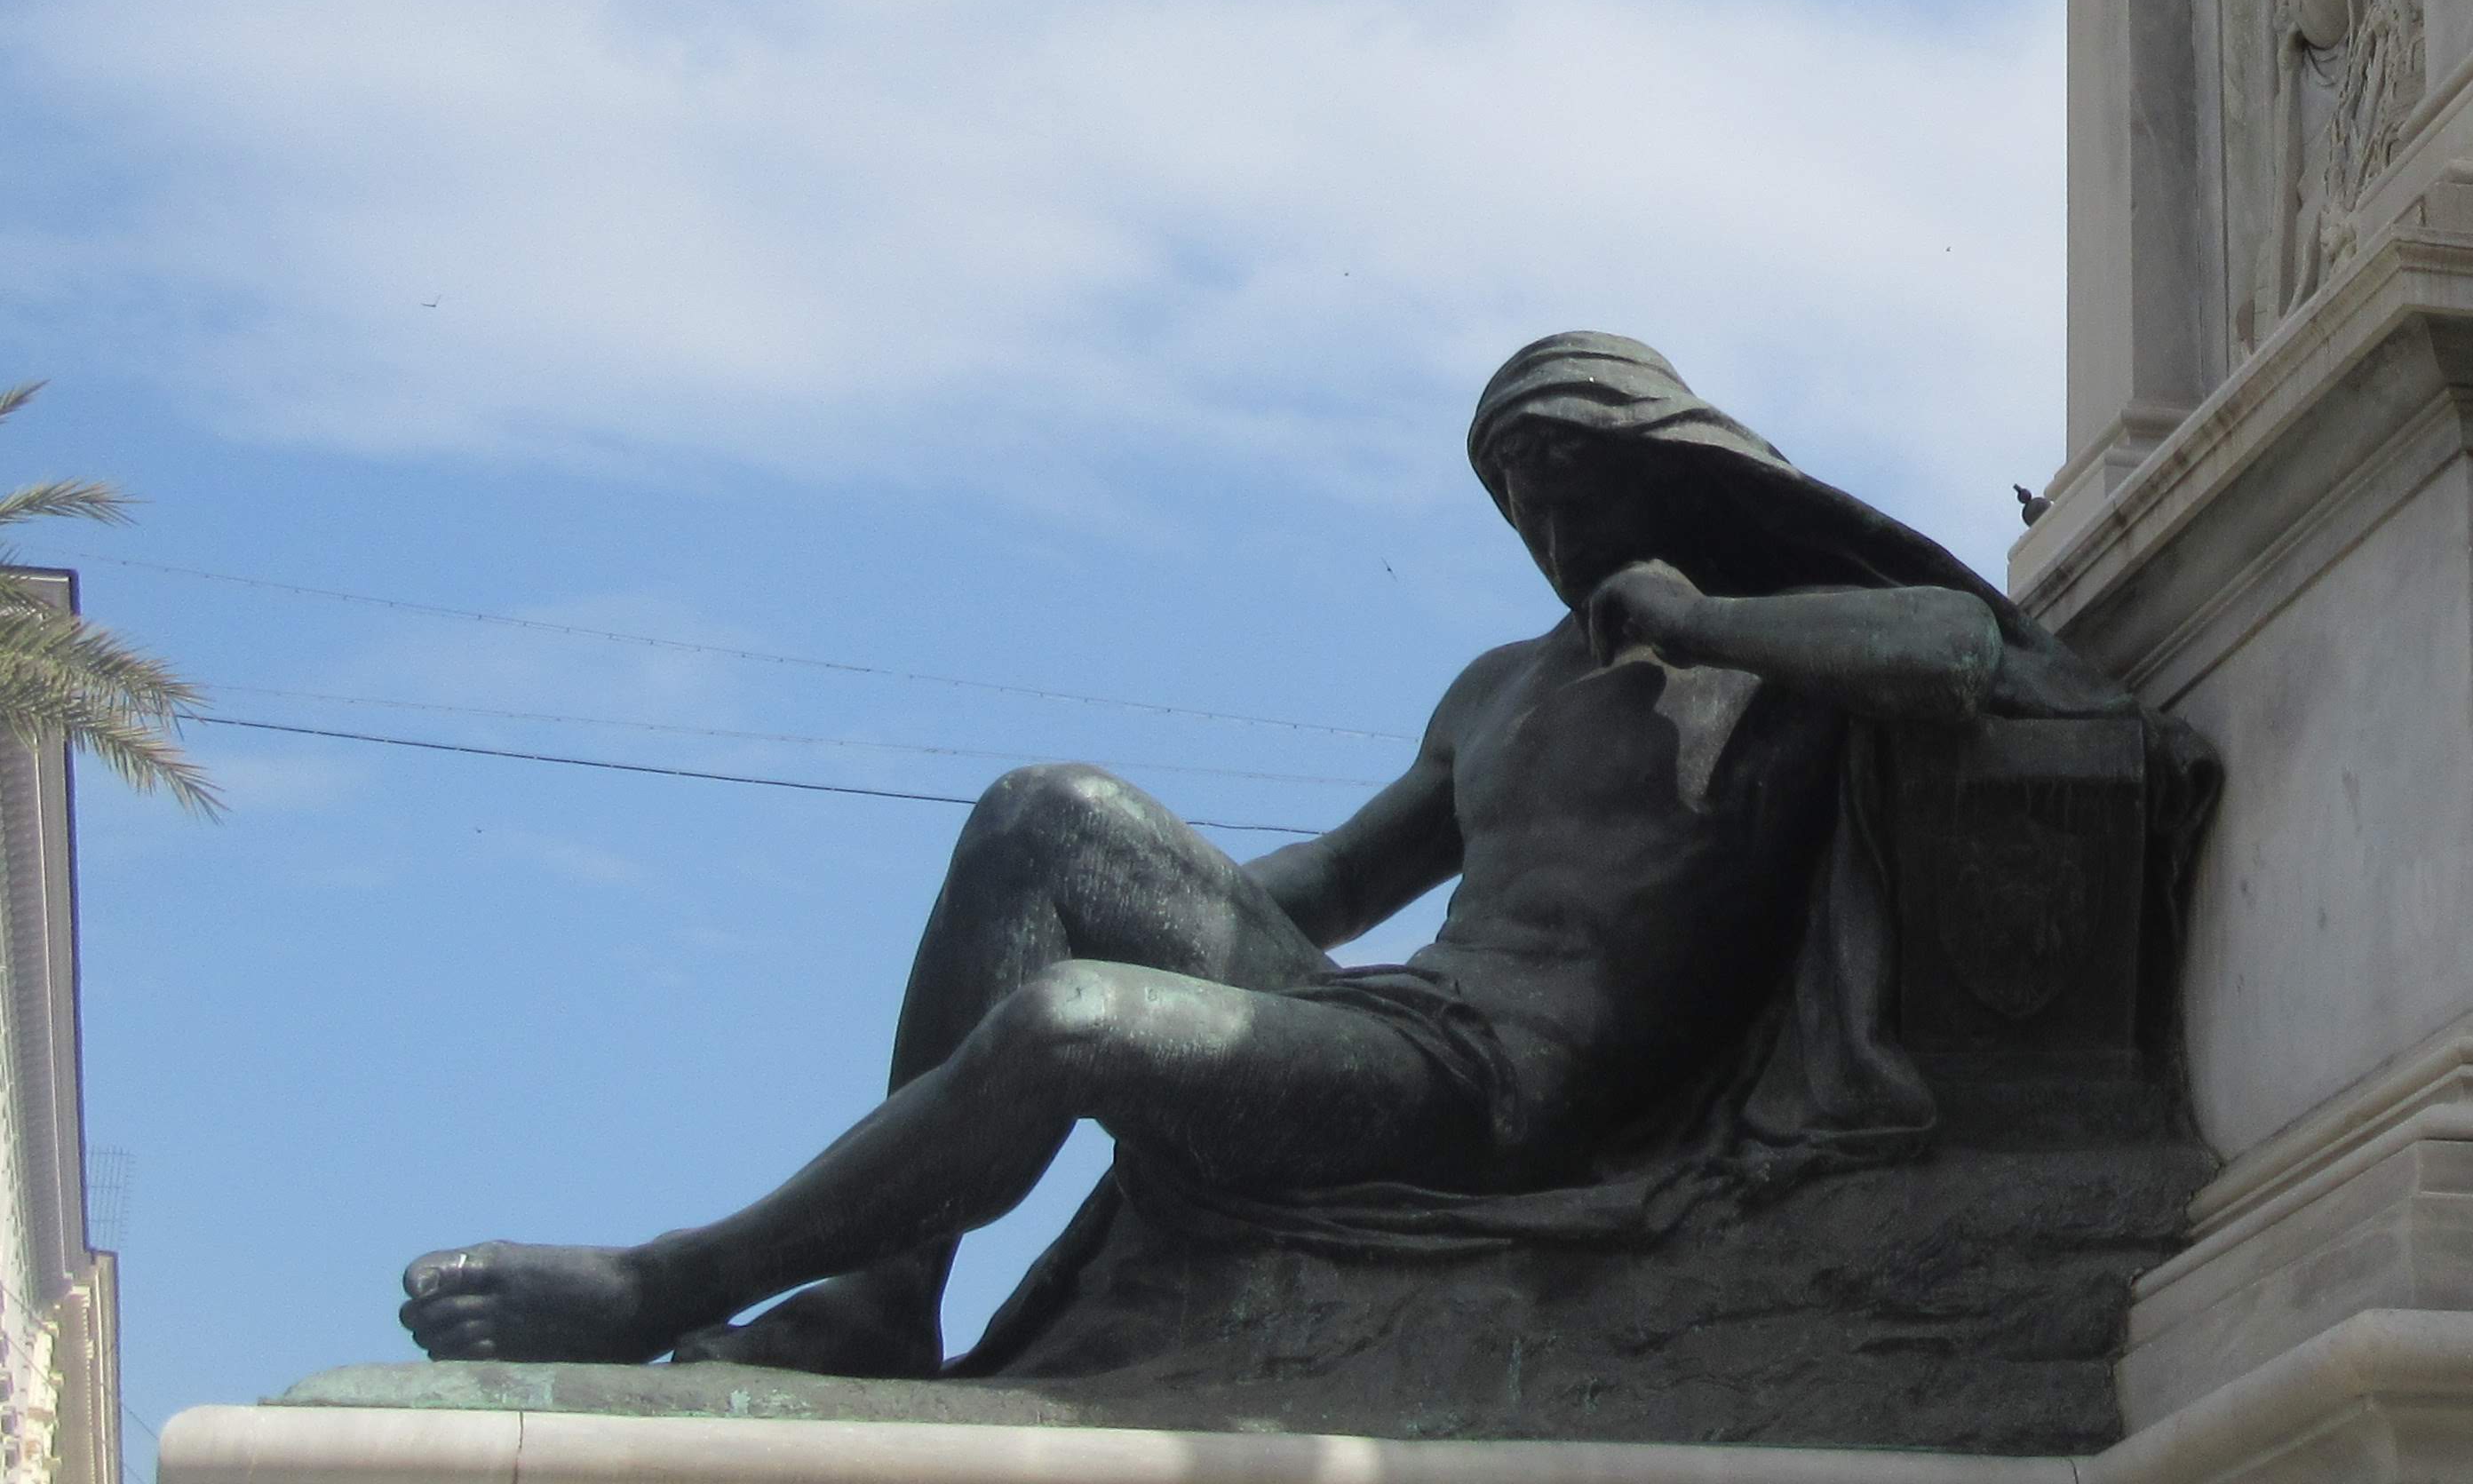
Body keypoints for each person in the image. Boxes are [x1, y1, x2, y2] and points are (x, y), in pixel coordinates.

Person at [396, 334, 2197, 1377]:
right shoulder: (1497, 690)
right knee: (1046, 811)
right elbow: (1327, 894)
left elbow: (1962, 656)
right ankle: (887, 1294)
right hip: (1400, 1028)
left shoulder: (1790, 655)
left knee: (1072, 1031)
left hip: (1517, 1095)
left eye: (1571, 472)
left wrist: (1710, 622)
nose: (1542, 516)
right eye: (1514, 489)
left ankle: (667, 1283)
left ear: (1673, 465)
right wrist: (1160, 953)